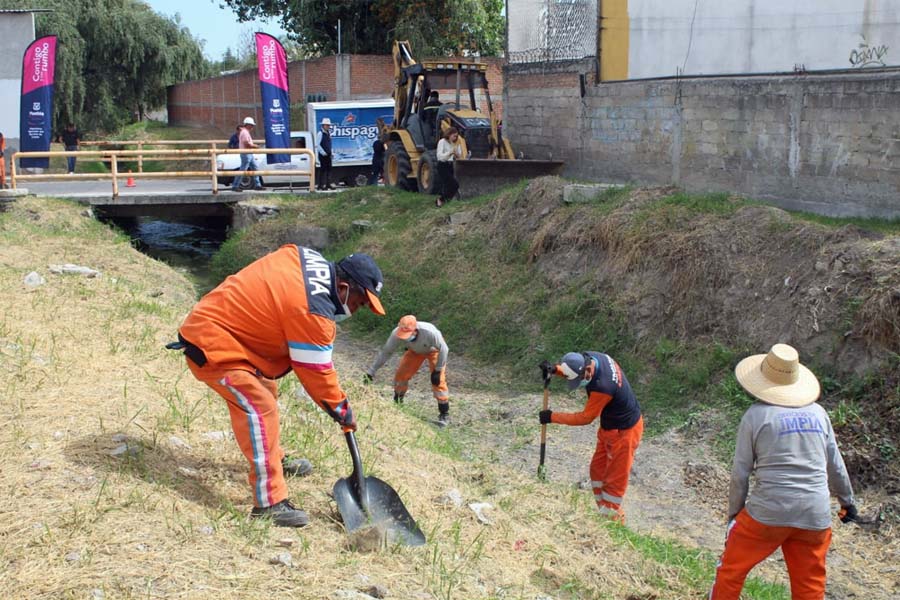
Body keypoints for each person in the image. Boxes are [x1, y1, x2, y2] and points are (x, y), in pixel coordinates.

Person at [174, 246, 386, 527]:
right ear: (344, 287)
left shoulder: (304, 256)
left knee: (266, 390)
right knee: (259, 408)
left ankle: (275, 458)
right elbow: (317, 373)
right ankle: (269, 502)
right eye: (360, 303)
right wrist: (341, 409)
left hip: (232, 331)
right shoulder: (314, 311)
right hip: (212, 342)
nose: (357, 311)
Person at [709, 343, 857, 600]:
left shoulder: (756, 416)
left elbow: (740, 474)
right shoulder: (819, 414)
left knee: (730, 571)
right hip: (815, 515)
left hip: (767, 513)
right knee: (810, 588)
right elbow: (835, 465)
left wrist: (735, 514)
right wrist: (848, 502)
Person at [538, 351, 643, 522]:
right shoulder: (592, 358)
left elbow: (585, 418)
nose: (579, 384)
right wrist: (555, 370)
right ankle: (604, 513)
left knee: (613, 484)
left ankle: (613, 525)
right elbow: (575, 369)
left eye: (579, 380)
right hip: (609, 429)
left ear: (587, 370)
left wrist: (552, 417)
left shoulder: (604, 387)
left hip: (625, 433)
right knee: (597, 471)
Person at [364, 315, 451, 427]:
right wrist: (371, 371)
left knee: (438, 381)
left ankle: (444, 413)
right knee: (401, 376)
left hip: (434, 351)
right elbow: (386, 352)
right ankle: (398, 403)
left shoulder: (430, 332)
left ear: (415, 330)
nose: (404, 338)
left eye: (407, 335)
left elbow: (444, 349)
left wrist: (438, 370)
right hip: (414, 351)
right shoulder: (396, 333)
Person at [232, 116, 262, 192]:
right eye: (251, 125)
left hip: (248, 153)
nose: (252, 127)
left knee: (255, 168)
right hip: (246, 153)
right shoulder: (245, 132)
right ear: (248, 125)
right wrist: (256, 146)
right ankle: (235, 186)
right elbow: (246, 144)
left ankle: (257, 185)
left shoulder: (244, 132)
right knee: (243, 169)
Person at [436, 126, 463, 207]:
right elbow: (440, 156)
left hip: (450, 165)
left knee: (447, 185)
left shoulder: (455, 143)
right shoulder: (442, 142)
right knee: (454, 184)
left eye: (456, 136)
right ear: (449, 134)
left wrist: (456, 153)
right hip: (442, 165)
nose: (455, 138)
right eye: (454, 136)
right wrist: (450, 152)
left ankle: (444, 202)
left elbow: (459, 155)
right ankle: (441, 199)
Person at [315, 117, 334, 190]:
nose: (328, 127)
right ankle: (321, 185)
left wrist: (331, 152)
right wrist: (323, 152)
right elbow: (317, 144)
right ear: (323, 125)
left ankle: (328, 184)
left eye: (328, 125)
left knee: (329, 169)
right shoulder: (320, 133)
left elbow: (330, 144)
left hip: (328, 154)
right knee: (323, 170)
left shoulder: (328, 133)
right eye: (327, 125)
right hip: (323, 155)